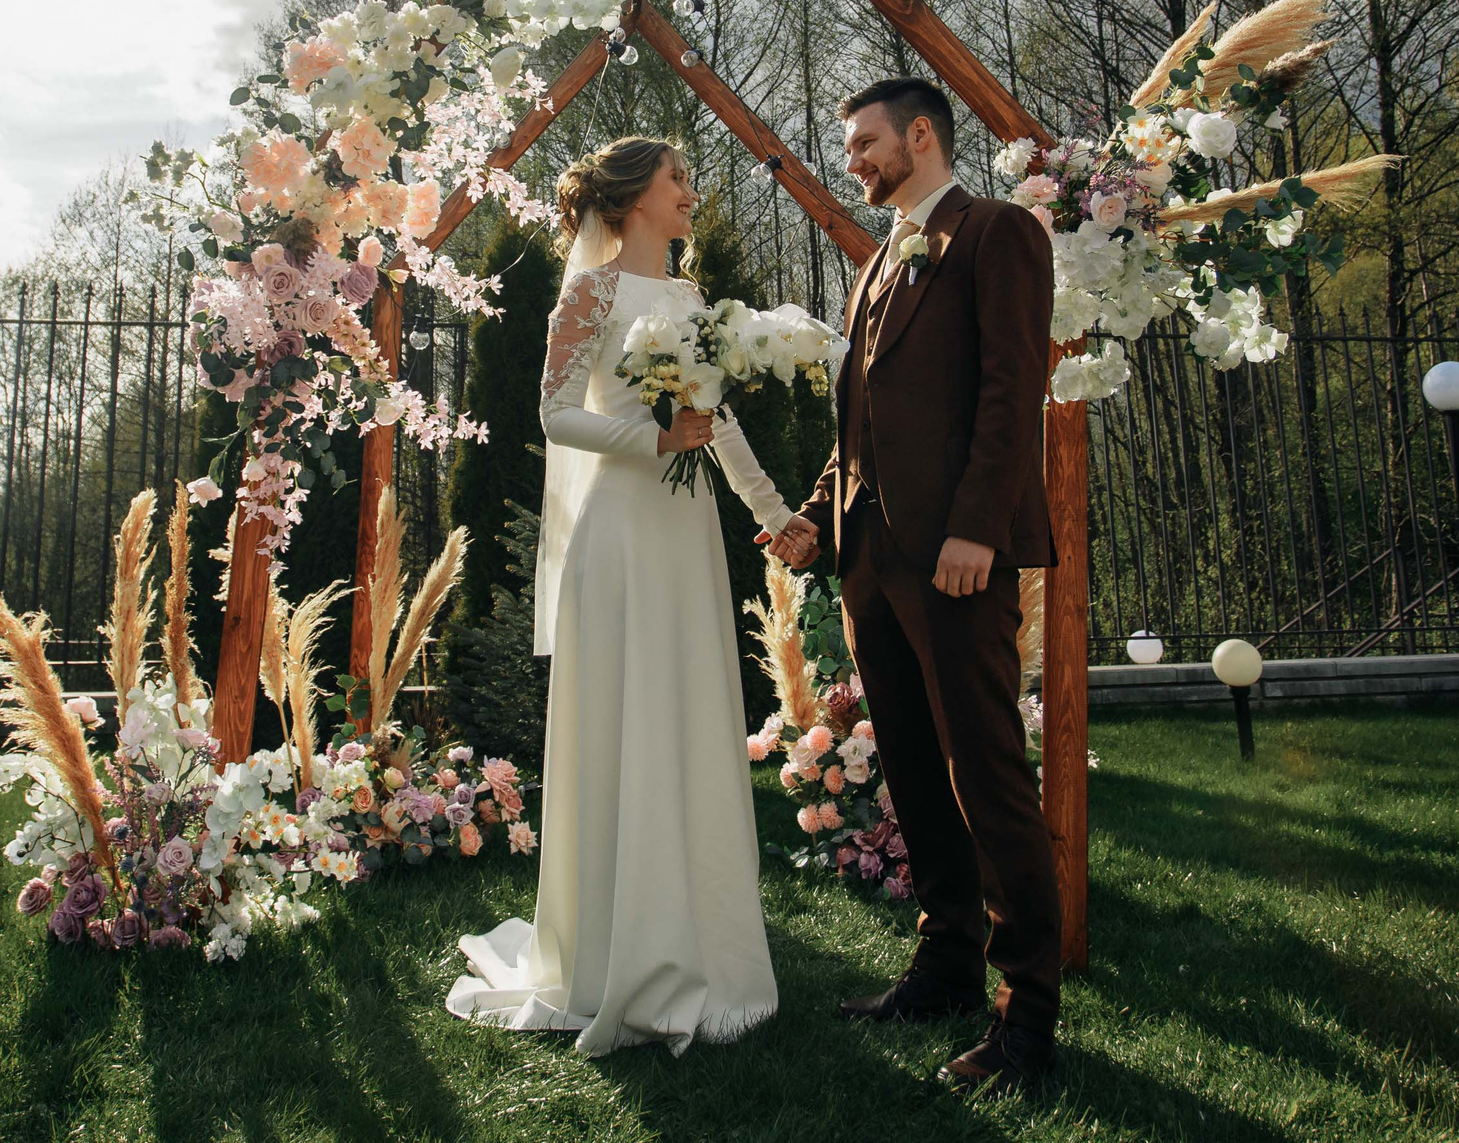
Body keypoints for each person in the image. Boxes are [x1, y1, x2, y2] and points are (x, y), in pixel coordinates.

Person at [446, 137, 815, 1056]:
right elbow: (553, 412)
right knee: (624, 720)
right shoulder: (590, 293)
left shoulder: (692, 301)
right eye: (677, 179)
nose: (692, 192)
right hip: (618, 528)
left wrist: (774, 512)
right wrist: (648, 438)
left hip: (683, 539)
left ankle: (701, 947)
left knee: (688, 714)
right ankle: (613, 950)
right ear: (629, 198)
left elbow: (716, 421)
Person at [772, 75, 1063, 1100]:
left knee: (985, 776)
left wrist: (978, 528)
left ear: (922, 136)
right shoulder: (875, 264)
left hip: (954, 557)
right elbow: (862, 417)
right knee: (910, 771)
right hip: (871, 560)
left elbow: (1008, 386)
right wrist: (817, 510)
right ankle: (941, 970)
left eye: (864, 142)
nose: (851, 159)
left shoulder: (995, 235)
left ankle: (1027, 1016)